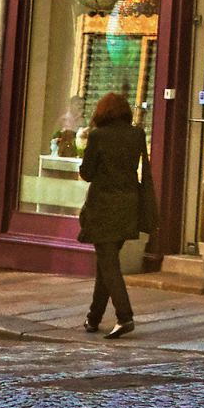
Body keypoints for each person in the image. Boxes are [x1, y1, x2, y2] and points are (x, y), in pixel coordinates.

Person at [76, 91, 148, 339]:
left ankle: (124, 316)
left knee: (108, 264)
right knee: (106, 263)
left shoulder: (98, 136)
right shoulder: (136, 134)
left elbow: (87, 172)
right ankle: (93, 318)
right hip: (129, 205)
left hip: (103, 207)